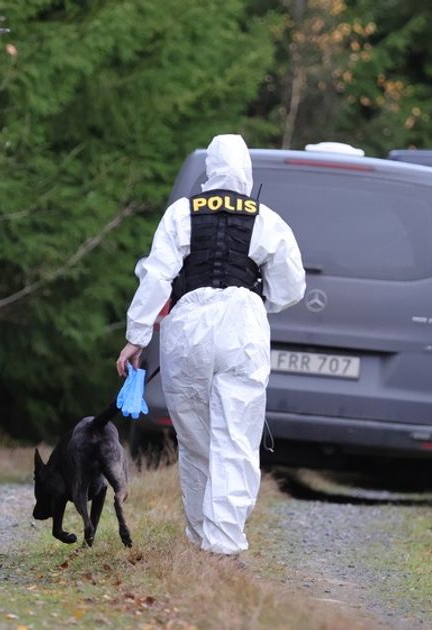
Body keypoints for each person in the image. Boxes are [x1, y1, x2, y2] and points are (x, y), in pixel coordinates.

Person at [116, 134, 305, 556]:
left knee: (197, 441)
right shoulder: (267, 219)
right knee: (236, 440)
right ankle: (224, 546)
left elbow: (156, 277)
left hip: (188, 330)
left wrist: (136, 337)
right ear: (246, 172)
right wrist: (261, 301)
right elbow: (291, 286)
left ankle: (201, 537)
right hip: (243, 331)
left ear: (209, 173)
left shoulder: (181, 214)